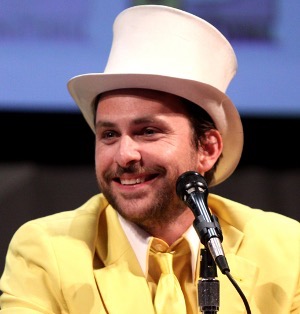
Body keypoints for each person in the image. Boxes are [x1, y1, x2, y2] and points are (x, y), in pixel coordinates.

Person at [0, 4, 299, 314]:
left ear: (208, 149)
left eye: (148, 131)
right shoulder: (46, 250)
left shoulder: (286, 250)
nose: (124, 155)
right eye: (110, 135)